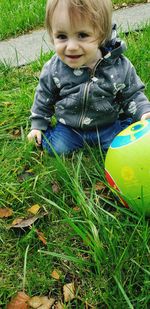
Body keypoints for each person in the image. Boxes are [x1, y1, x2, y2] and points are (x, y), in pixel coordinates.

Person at [28, 0, 150, 155]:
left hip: (107, 126)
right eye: (61, 36)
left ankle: (125, 127)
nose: (71, 47)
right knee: (56, 149)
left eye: (82, 35)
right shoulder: (54, 68)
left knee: (123, 150)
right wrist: (38, 125)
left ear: (101, 34)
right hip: (70, 128)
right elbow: (44, 96)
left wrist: (144, 111)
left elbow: (132, 94)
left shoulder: (118, 66)